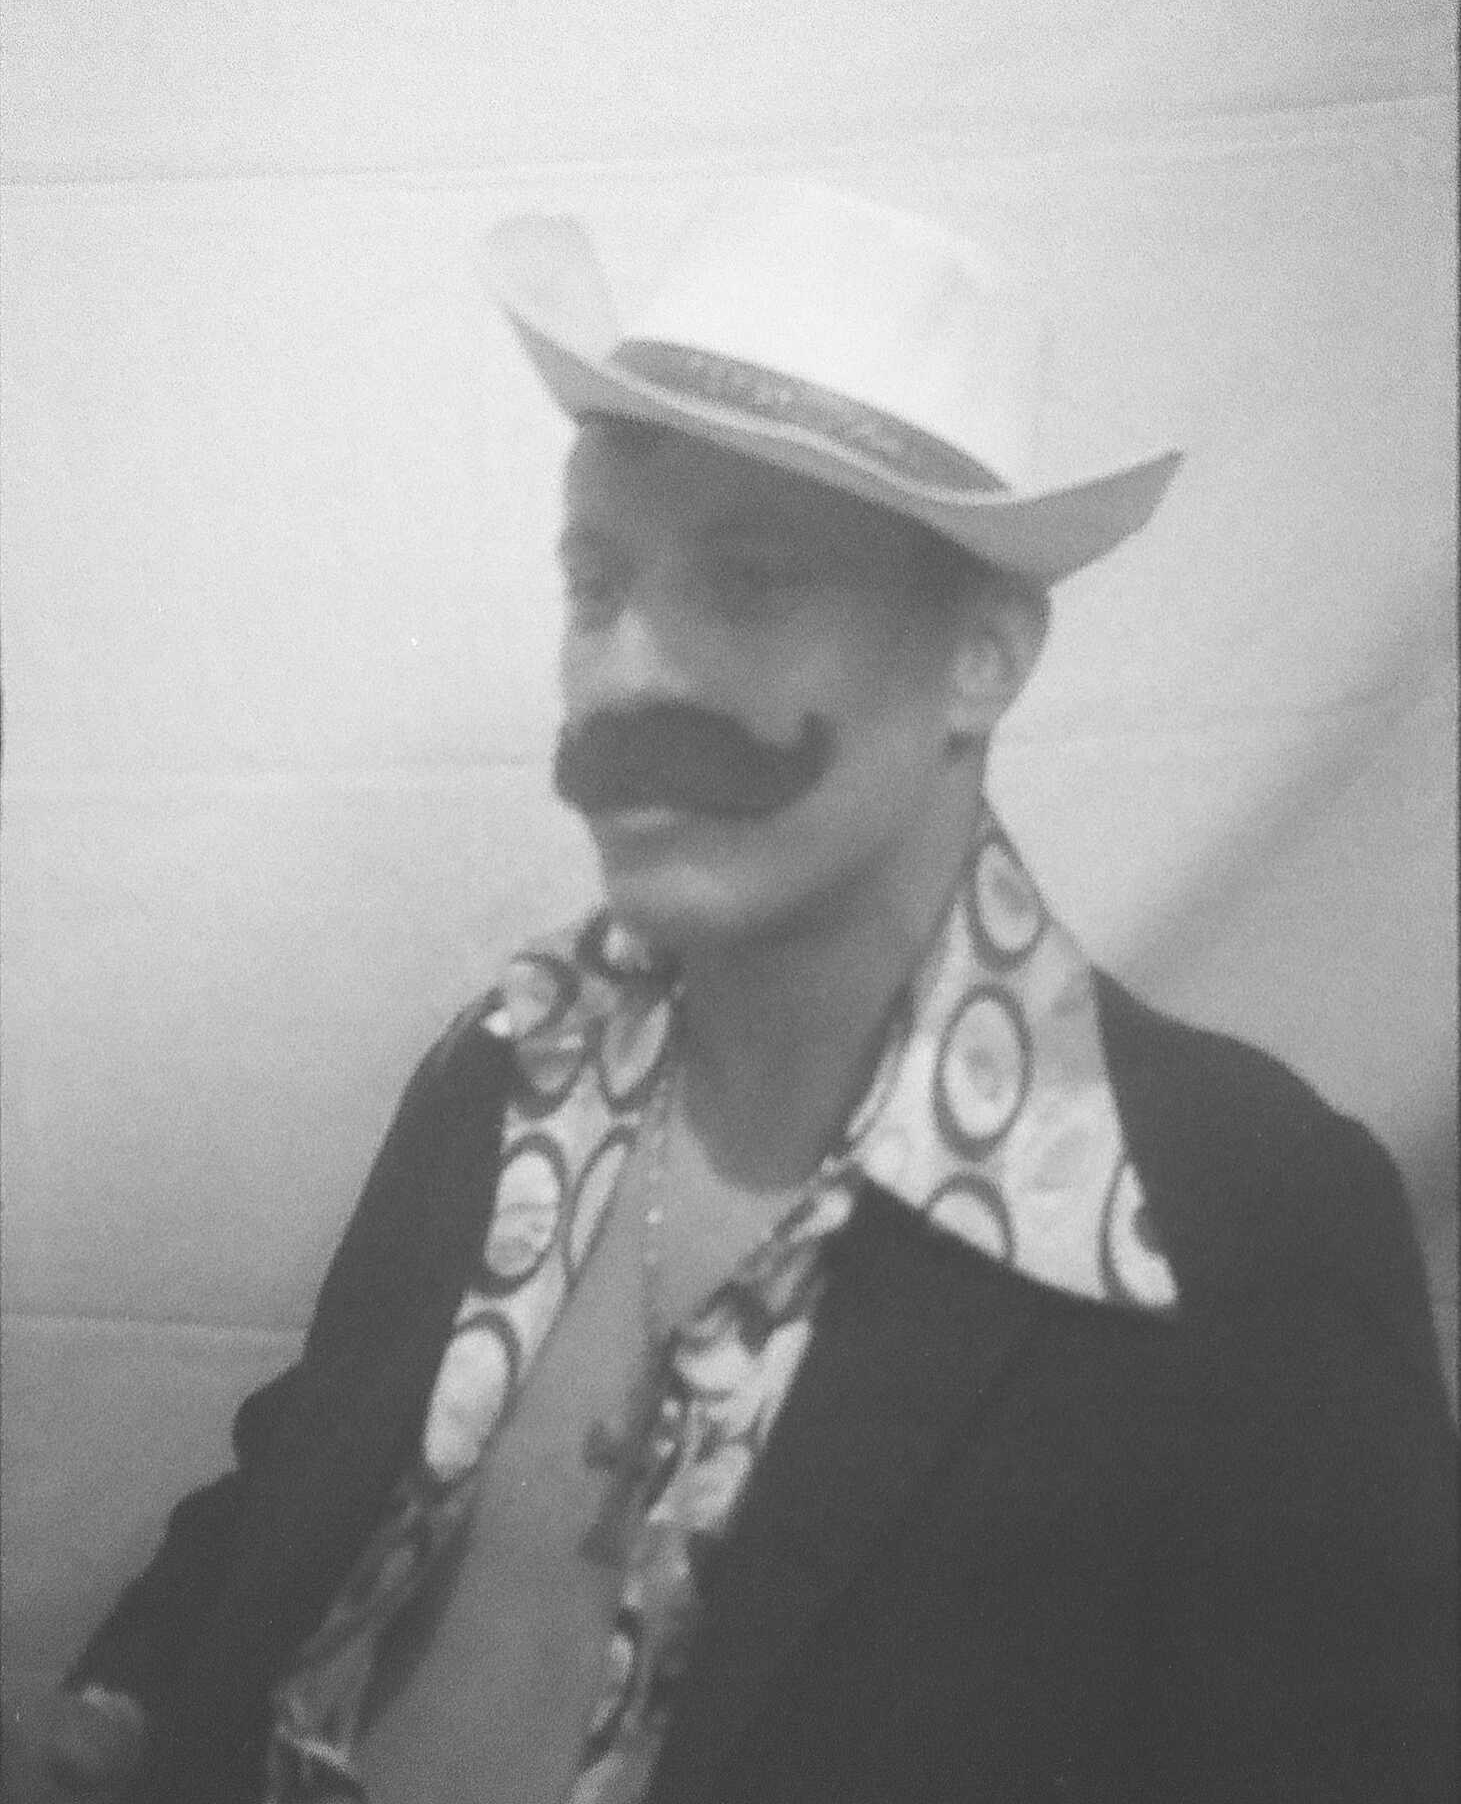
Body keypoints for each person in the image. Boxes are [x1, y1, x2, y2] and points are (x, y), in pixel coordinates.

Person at [16, 182, 1457, 1803]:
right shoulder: (503, 1066)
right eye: (594, 584)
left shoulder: (1233, 1225)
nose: (624, 675)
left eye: (751, 585)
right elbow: (305, 1465)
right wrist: (135, 1685)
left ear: (982, 656)